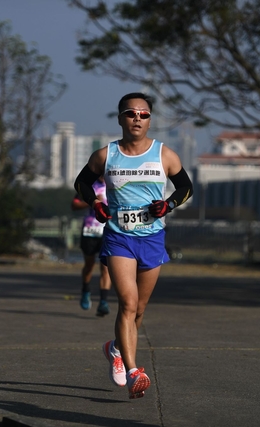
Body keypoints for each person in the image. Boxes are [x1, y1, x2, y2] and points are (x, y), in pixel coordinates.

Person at [74, 92, 193, 399]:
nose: (137, 119)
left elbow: (186, 187)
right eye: (131, 113)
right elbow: (81, 183)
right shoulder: (106, 155)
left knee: (139, 310)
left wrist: (168, 205)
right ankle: (133, 372)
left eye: (144, 114)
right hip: (119, 238)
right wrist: (95, 203)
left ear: (150, 120)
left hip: (152, 239)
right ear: (120, 119)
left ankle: (115, 348)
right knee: (127, 303)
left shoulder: (165, 154)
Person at [71, 177, 112, 316]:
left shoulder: (116, 183)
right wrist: (92, 202)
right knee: (89, 265)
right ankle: (86, 290)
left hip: (108, 230)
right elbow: (74, 205)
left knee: (106, 267)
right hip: (90, 230)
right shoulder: (90, 185)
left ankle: (103, 302)